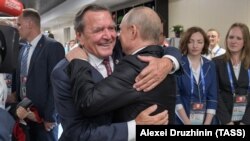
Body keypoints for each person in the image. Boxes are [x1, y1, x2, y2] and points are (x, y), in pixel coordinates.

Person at [51, 4, 180, 141]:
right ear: (79, 36)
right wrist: (133, 127)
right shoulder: (63, 72)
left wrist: (169, 61)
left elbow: (156, 47)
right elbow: (77, 133)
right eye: (98, 30)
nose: (108, 36)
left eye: (112, 28)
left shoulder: (123, 48)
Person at [15, 8, 65, 141]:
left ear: (30, 24)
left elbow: (56, 85)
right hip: (24, 115)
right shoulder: (22, 50)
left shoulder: (53, 47)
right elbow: (21, 79)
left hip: (44, 119)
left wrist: (50, 117)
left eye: (19, 24)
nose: (17, 28)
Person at [175, 27, 217, 125]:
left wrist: (207, 124)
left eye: (199, 42)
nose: (195, 46)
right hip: (182, 120)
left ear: (204, 44)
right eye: (191, 42)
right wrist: (187, 122)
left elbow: (212, 97)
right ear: (185, 43)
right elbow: (176, 97)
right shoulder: (178, 64)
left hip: (206, 120)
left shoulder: (210, 65)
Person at [213, 23, 250, 125]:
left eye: (238, 38)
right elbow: (215, 93)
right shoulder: (215, 63)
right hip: (224, 119)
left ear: (245, 42)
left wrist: (246, 122)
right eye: (231, 37)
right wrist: (227, 121)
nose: (233, 41)